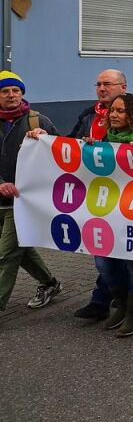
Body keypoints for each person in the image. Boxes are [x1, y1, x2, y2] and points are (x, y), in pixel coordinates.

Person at [79, 93, 133, 336]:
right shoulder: (104, 138)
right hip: (108, 212)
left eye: (120, 111)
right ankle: (122, 304)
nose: (113, 114)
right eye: (112, 110)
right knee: (103, 261)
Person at [0, 72, 62, 314]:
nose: (11, 95)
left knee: (6, 255)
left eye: (16, 90)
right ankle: (49, 283)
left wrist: (46, 140)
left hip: (23, 201)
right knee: (19, 251)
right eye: (5, 91)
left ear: (22, 93)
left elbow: (62, 153)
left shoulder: (37, 121)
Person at [70, 69, 128, 320]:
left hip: (127, 194)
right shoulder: (87, 116)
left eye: (108, 84)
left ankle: (109, 299)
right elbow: (69, 144)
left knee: (119, 254)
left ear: (122, 88)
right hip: (96, 194)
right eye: (99, 84)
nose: (102, 88)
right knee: (102, 252)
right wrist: (40, 139)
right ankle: (110, 297)